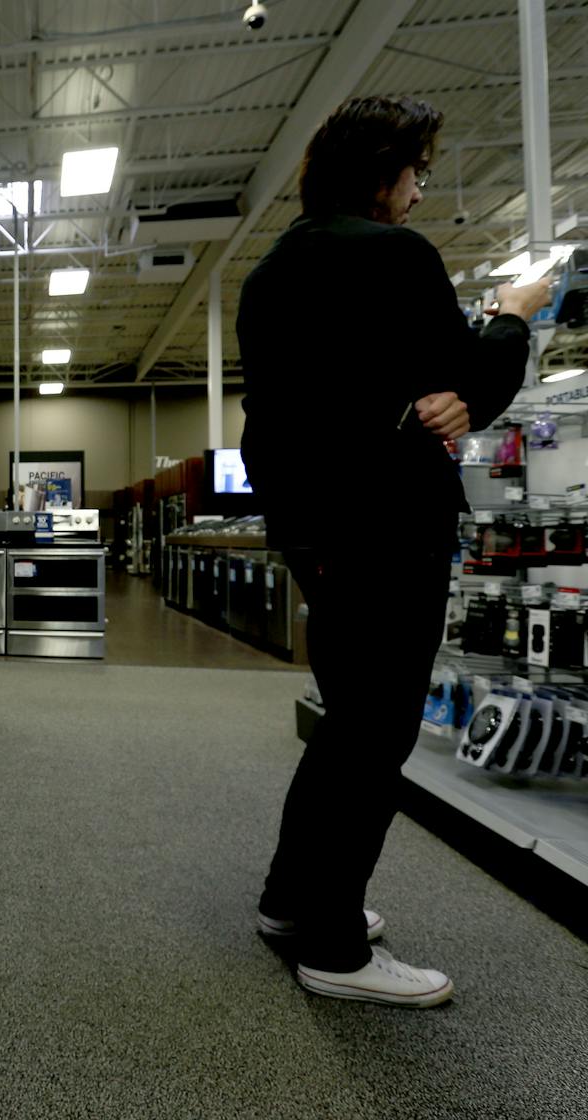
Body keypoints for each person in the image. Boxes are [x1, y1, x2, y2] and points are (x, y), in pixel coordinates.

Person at [237, 96, 552, 1008]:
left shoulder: (271, 274)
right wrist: (511, 316)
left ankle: (293, 903)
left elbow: (333, 405)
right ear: (382, 171)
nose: (420, 191)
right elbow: (473, 381)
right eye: (416, 173)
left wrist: (438, 397)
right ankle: (333, 945)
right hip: (388, 531)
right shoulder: (395, 256)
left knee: (347, 723)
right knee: (376, 737)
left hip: (318, 533)